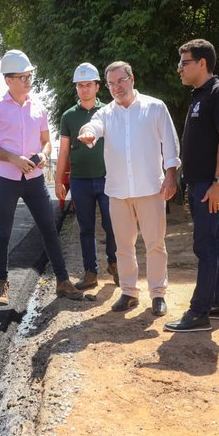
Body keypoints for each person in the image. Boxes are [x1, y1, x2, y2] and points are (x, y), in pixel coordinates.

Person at [0, 49, 83, 306]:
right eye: (22, 76)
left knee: (49, 229)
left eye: (29, 75)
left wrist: (44, 154)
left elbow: (47, 142)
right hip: (6, 179)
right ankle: (2, 285)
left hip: (35, 179)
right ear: (8, 80)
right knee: (3, 233)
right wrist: (13, 158)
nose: (28, 80)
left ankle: (62, 281)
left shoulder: (39, 107)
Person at [77, 61, 180, 316]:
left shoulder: (155, 107)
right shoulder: (105, 113)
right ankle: (129, 292)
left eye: (120, 81)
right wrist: (87, 132)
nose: (116, 87)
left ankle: (157, 294)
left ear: (131, 79)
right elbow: (93, 126)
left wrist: (170, 176)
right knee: (123, 246)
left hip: (150, 189)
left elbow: (170, 142)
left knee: (155, 244)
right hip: (118, 191)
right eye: (111, 84)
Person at [164, 39, 219, 333]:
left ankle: (199, 313)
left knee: (205, 246)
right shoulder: (199, 95)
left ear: (202, 63)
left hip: (210, 184)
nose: (179, 69)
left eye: (184, 63)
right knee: (213, 242)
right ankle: (217, 302)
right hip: (199, 184)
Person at [55, 63, 119, 290]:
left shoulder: (110, 111)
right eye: (80, 86)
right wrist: (58, 180)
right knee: (86, 228)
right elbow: (63, 152)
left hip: (107, 178)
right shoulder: (68, 116)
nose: (84, 89)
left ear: (97, 86)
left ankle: (115, 264)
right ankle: (90, 273)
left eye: (88, 85)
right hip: (80, 180)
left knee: (113, 225)